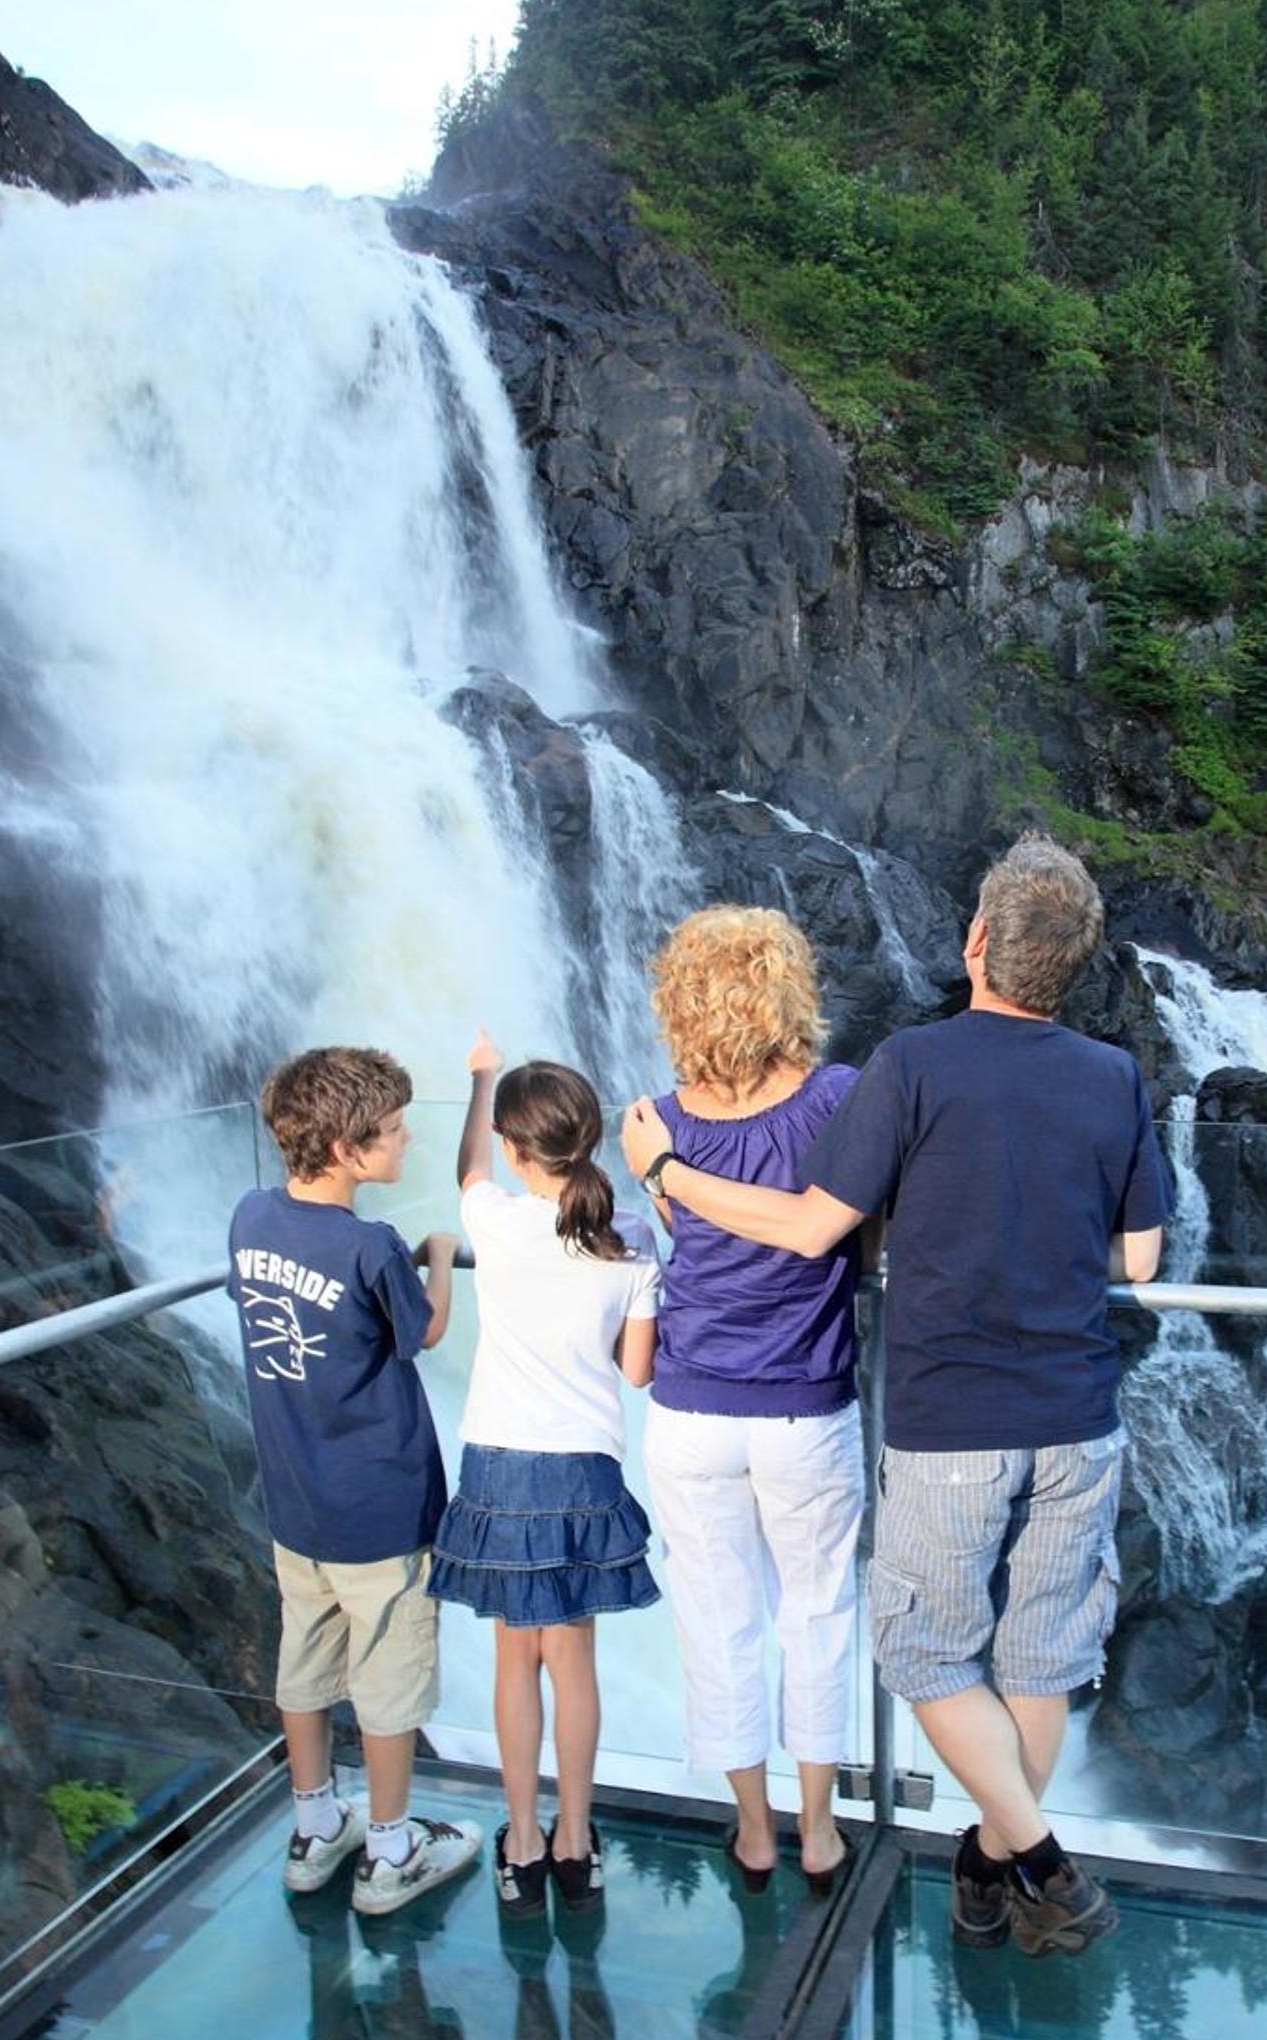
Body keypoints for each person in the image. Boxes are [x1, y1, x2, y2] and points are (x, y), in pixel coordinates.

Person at [624, 835, 1170, 1958]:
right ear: (1073, 964)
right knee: (1038, 1659)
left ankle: (1035, 1861)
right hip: (1077, 1412)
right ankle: (990, 1864)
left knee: (922, 1654)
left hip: (947, 1418)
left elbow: (813, 1226)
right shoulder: (1113, 1074)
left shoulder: (911, 1064)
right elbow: (1144, 1257)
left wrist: (666, 1171)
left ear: (975, 941)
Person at [636, 906, 866, 1893]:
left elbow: (682, 1230)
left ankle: (754, 1830)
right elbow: (854, 1224)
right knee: (816, 1613)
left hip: (690, 1405)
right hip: (804, 1406)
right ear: (787, 990)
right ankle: (819, 1830)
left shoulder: (657, 1123)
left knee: (715, 1619)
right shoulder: (837, 1100)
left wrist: (667, 1172)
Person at [228, 1045, 483, 1917]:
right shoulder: (372, 1247)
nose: (407, 1141)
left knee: (303, 1659)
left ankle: (313, 1829)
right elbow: (423, 1333)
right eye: (394, 1130)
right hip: (380, 1506)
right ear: (346, 1150)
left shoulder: (250, 1217)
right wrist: (438, 1256)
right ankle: (391, 1850)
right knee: (387, 1680)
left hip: (294, 1502)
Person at [432, 1033, 660, 1916]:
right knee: (573, 1662)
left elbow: (468, 1172)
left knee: (512, 1659)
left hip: (499, 1462)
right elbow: (636, 1371)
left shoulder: (492, 1220)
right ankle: (575, 1840)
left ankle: (522, 1841)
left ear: (514, 1148)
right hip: (584, 1466)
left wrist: (481, 1078)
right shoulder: (629, 1236)